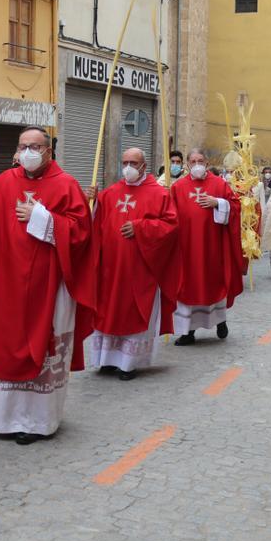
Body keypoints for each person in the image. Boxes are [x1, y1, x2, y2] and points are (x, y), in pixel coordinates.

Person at [0, 126, 95, 445]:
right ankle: (2, 418)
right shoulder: (4, 182)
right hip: (6, 282)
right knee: (5, 343)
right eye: (23, 146)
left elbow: (80, 234)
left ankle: (35, 421)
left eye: (35, 146)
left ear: (48, 151)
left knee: (43, 344)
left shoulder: (66, 185)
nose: (28, 152)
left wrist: (42, 217)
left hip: (49, 284)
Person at [85, 147, 180, 380]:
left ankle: (128, 363)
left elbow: (171, 226)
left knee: (133, 311)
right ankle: (106, 360)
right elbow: (95, 222)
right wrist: (92, 202)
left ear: (144, 166)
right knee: (109, 311)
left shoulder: (159, 194)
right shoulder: (109, 193)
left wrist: (140, 227)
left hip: (140, 268)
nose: (127, 167)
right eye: (125, 161)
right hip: (111, 267)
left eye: (133, 163)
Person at [170, 148, 244, 345]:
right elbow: (170, 216)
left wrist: (219, 203)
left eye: (200, 160)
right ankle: (188, 332)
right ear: (186, 164)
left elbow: (235, 207)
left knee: (214, 283)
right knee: (187, 286)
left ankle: (220, 321)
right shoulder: (177, 187)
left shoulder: (219, 184)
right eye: (192, 161)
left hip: (213, 247)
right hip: (187, 249)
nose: (196, 165)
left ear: (207, 163)